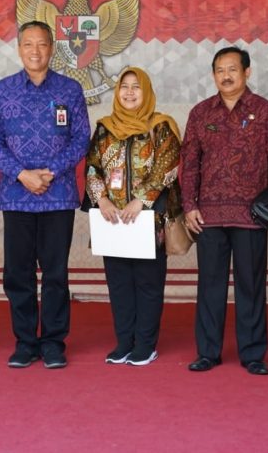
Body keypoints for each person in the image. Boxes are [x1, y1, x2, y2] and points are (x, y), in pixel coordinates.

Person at [181, 46, 268, 376]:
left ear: (247, 72)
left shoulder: (266, 112)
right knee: (210, 286)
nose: (226, 75)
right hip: (209, 216)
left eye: (233, 69)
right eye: (220, 70)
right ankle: (207, 352)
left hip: (251, 216)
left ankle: (253, 353)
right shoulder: (201, 113)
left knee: (251, 286)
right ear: (213, 75)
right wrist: (189, 205)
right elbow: (189, 164)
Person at [0, 21, 90, 369]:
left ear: (52, 48)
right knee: (18, 272)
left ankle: (54, 342)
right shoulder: (2, 91)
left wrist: (51, 172)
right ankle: (26, 341)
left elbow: (80, 138)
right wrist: (22, 174)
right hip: (16, 196)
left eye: (42, 44)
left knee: (55, 272)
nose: (35, 51)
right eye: (28, 44)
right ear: (19, 49)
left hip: (58, 194)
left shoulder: (70, 90)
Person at [85, 67, 181, 366]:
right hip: (112, 221)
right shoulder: (104, 128)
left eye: (136, 87)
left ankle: (146, 345)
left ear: (147, 92)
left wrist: (141, 200)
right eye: (124, 87)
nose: (129, 92)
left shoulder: (160, 126)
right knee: (119, 284)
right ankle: (124, 342)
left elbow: (169, 165)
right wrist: (101, 199)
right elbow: (92, 168)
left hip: (148, 221)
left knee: (148, 284)